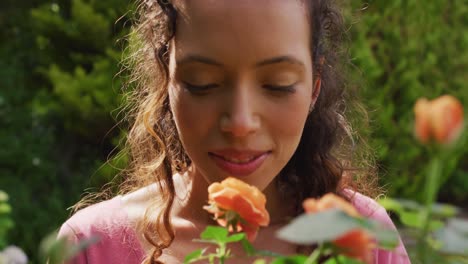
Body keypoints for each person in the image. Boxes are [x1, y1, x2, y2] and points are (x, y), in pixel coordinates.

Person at [58, 0, 410, 263]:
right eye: (203, 83)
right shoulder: (93, 245)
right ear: (167, 79)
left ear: (314, 87)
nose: (240, 123)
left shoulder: (358, 235)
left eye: (277, 84)